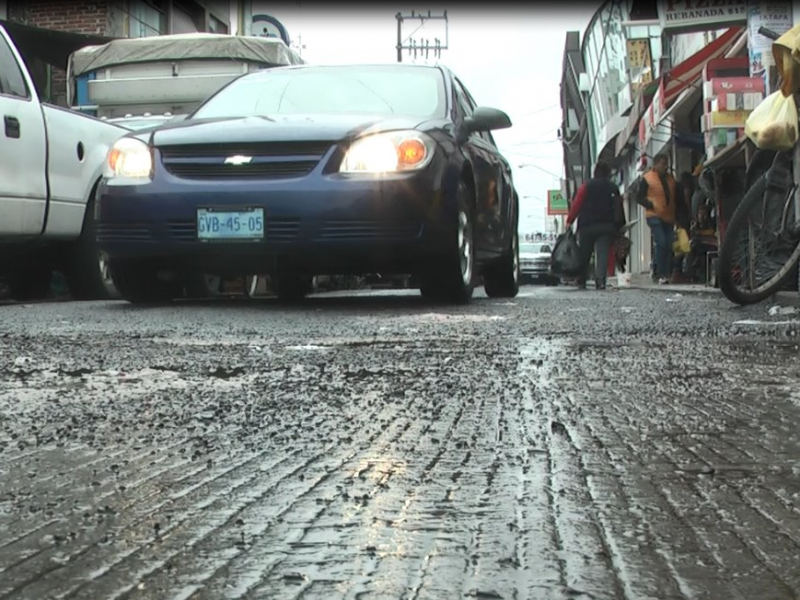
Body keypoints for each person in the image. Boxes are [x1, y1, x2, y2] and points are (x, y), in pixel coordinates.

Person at [566, 160, 626, 290]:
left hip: (587, 225)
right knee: (602, 252)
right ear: (608, 173)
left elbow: (577, 203)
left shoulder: (586, 186)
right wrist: (620, 225)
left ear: (595, 172)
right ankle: (600, 280)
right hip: (606, 226)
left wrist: (570, 220)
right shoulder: (612, 187)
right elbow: (618, 207)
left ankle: (581, 280)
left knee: (584, 253)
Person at [634, 153, 683, 285]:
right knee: (661, 242)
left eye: (666, 164)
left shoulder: (671, 179)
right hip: (654, 215)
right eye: (662, 164)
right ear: (655, 165)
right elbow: (638, 197)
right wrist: (650, 204)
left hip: (668, 217)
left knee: (668, 245)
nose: (665, 167)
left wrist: (678, 216)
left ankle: (657, 270)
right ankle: (662, 274)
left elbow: (676, 199)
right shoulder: (647, 178)